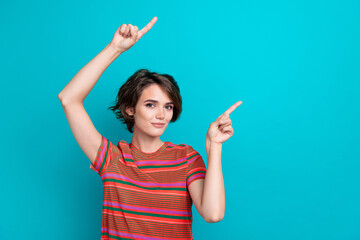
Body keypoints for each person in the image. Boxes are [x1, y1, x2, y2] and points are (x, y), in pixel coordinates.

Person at [58, 16, 242, 240]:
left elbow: (213, 214)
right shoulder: (112, 158)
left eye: (168, 106)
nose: (161, 114)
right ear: (130, 110)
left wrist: (214, 146)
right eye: (150, 104)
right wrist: (114, 48)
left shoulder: (186, 158)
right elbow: (68, 98)